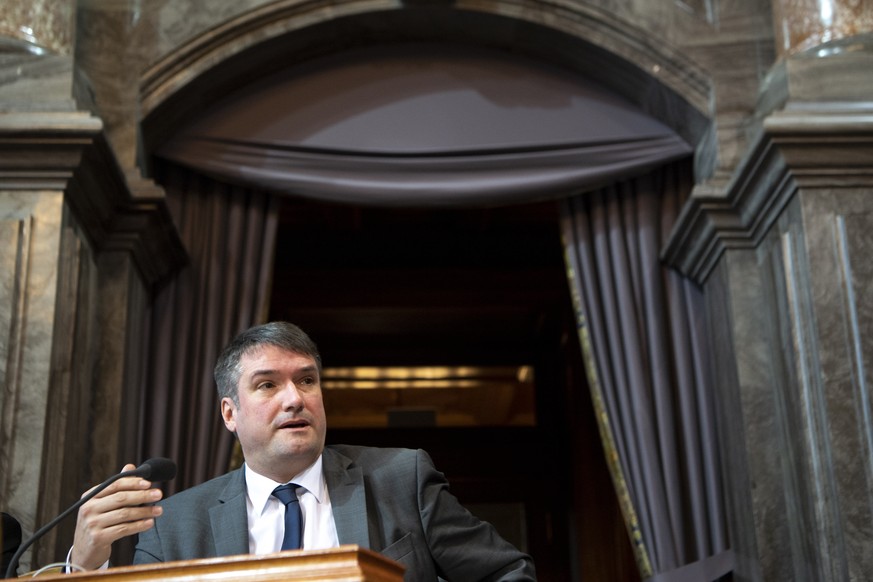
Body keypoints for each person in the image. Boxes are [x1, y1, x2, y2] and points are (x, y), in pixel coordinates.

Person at [71, 321, 536, 580]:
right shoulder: (175, 524)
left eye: (307, 380)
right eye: (268, 385)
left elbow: (508, 573)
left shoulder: (401, 477)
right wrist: (85, 563)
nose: (295, 398)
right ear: (229, 414)